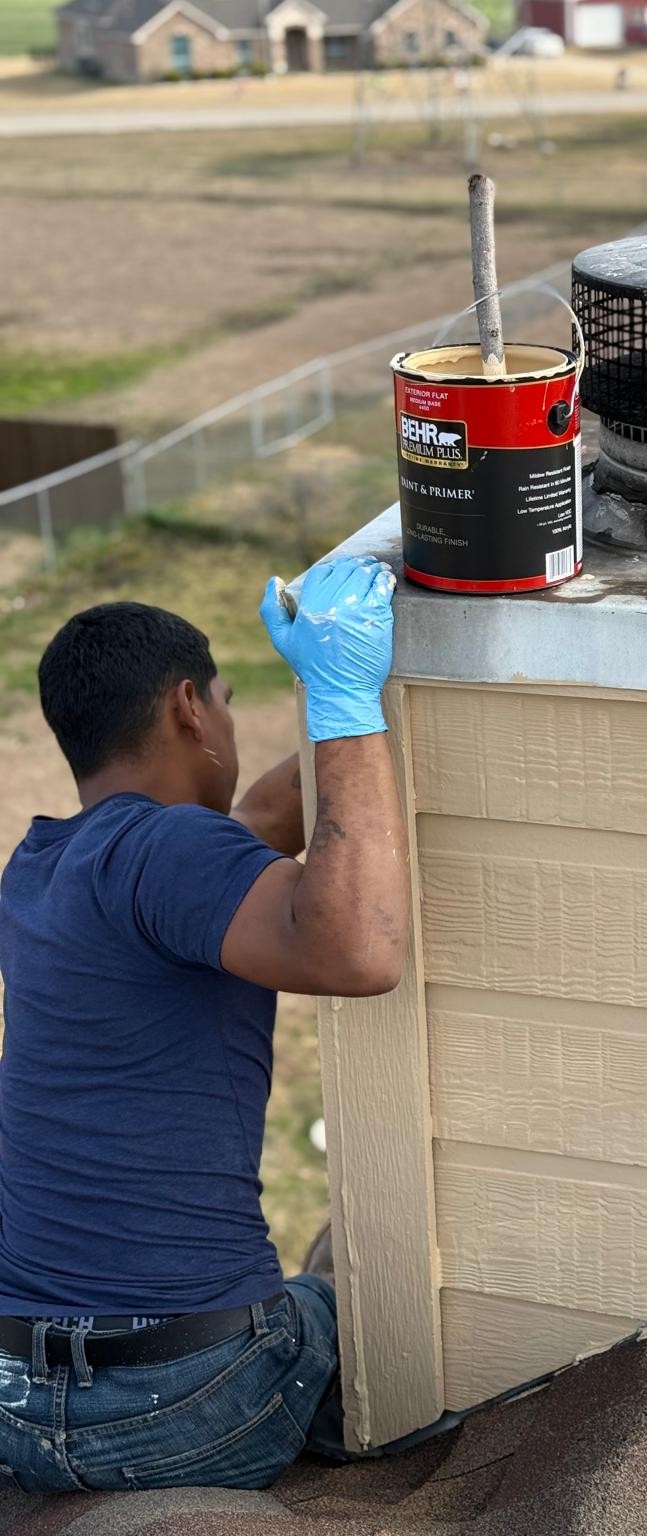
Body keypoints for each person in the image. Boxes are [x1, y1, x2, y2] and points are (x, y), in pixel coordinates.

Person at [0, 556, 405, 1493]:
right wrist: (344, 698)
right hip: (183, 1407)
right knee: (358, 1282)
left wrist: (346, 712)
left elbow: (261, 813)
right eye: (224, 702)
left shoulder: (38, 871)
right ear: (190, 709)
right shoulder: (172, 852)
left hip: (18, 1406)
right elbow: (359, 952)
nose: (228, 721)